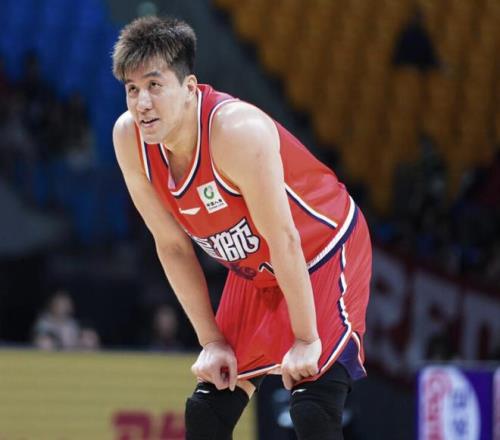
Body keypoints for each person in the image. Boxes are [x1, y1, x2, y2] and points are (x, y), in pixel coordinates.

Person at [112, 16, 372, 440]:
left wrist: (306, 338)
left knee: (312, 407)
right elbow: (171, 246)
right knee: (206, 412)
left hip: (322, 247)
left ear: (190, 87)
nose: (142, 103)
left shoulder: (235, 131)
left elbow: (284, 237)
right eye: (132, 89)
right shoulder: (129, 139)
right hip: (257, 267)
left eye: (155, 85)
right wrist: (211, 341)